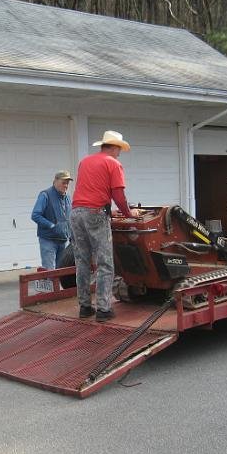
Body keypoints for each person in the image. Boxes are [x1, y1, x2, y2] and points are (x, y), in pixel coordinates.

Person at [70, 130, 139, 322]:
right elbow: (119, 196)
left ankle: (84, 306)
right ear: (114, 147)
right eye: (120, 149)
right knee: (105, 262)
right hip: (95, 213)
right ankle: (103, 309)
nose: (120, 153)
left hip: (76, 213)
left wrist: (108, 208)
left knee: (82, 261)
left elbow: (90, 190)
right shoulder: (113, 163)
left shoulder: (85, 161)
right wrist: (128, 214)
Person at [31, 170, 73, 269]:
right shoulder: (45, 195)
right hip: (48, 240)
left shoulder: (67, 197)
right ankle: (49, 285)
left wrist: (71, 234)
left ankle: (58, 285)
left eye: (67, 183)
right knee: (49, 271)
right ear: (55, 181)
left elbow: (69, 217)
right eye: (64, 182)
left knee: (61, 271)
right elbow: (35, 215)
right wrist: (52, 226)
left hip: (63, 241)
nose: (66, 185)